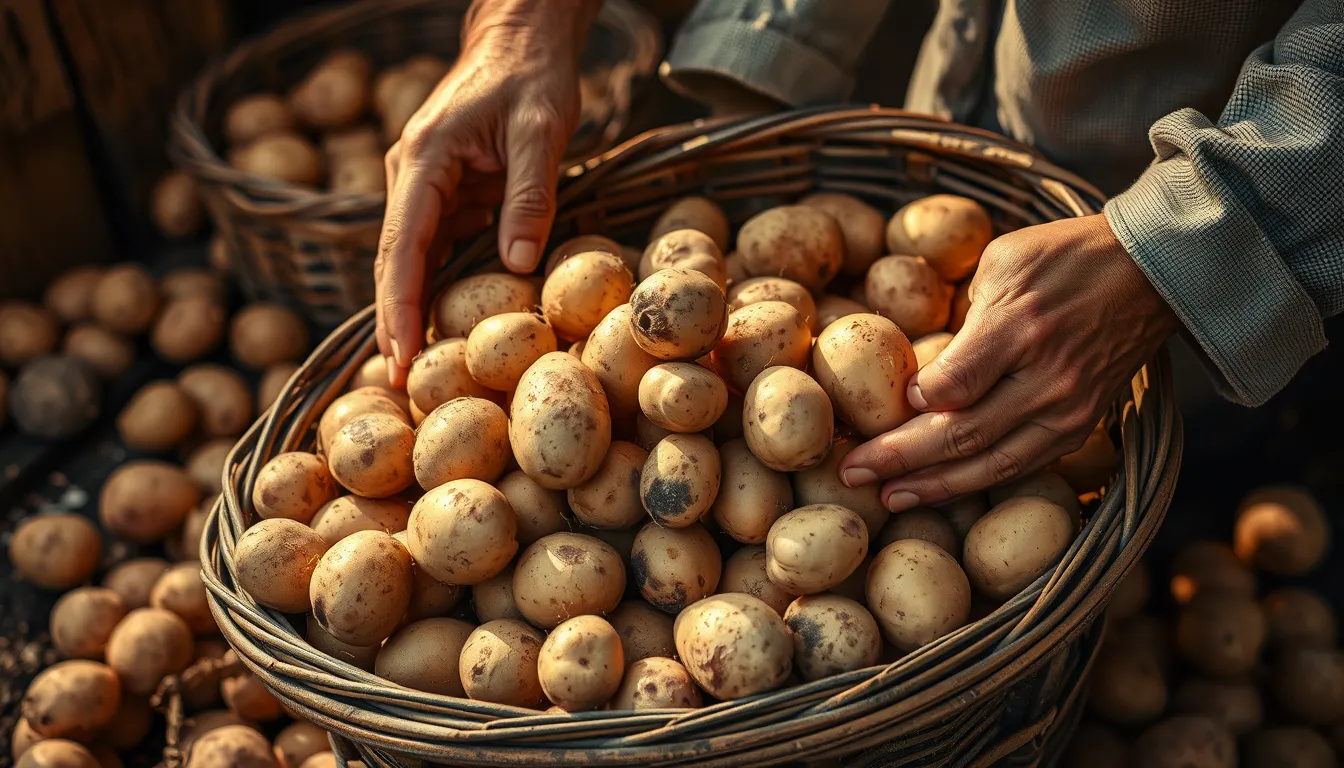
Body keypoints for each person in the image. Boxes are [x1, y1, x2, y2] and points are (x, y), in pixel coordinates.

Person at [374, 0, 1344, 513]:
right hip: (971, 120)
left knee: (1191, 467)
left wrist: (1192, 240)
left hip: (1265, 221)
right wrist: (523, 17)